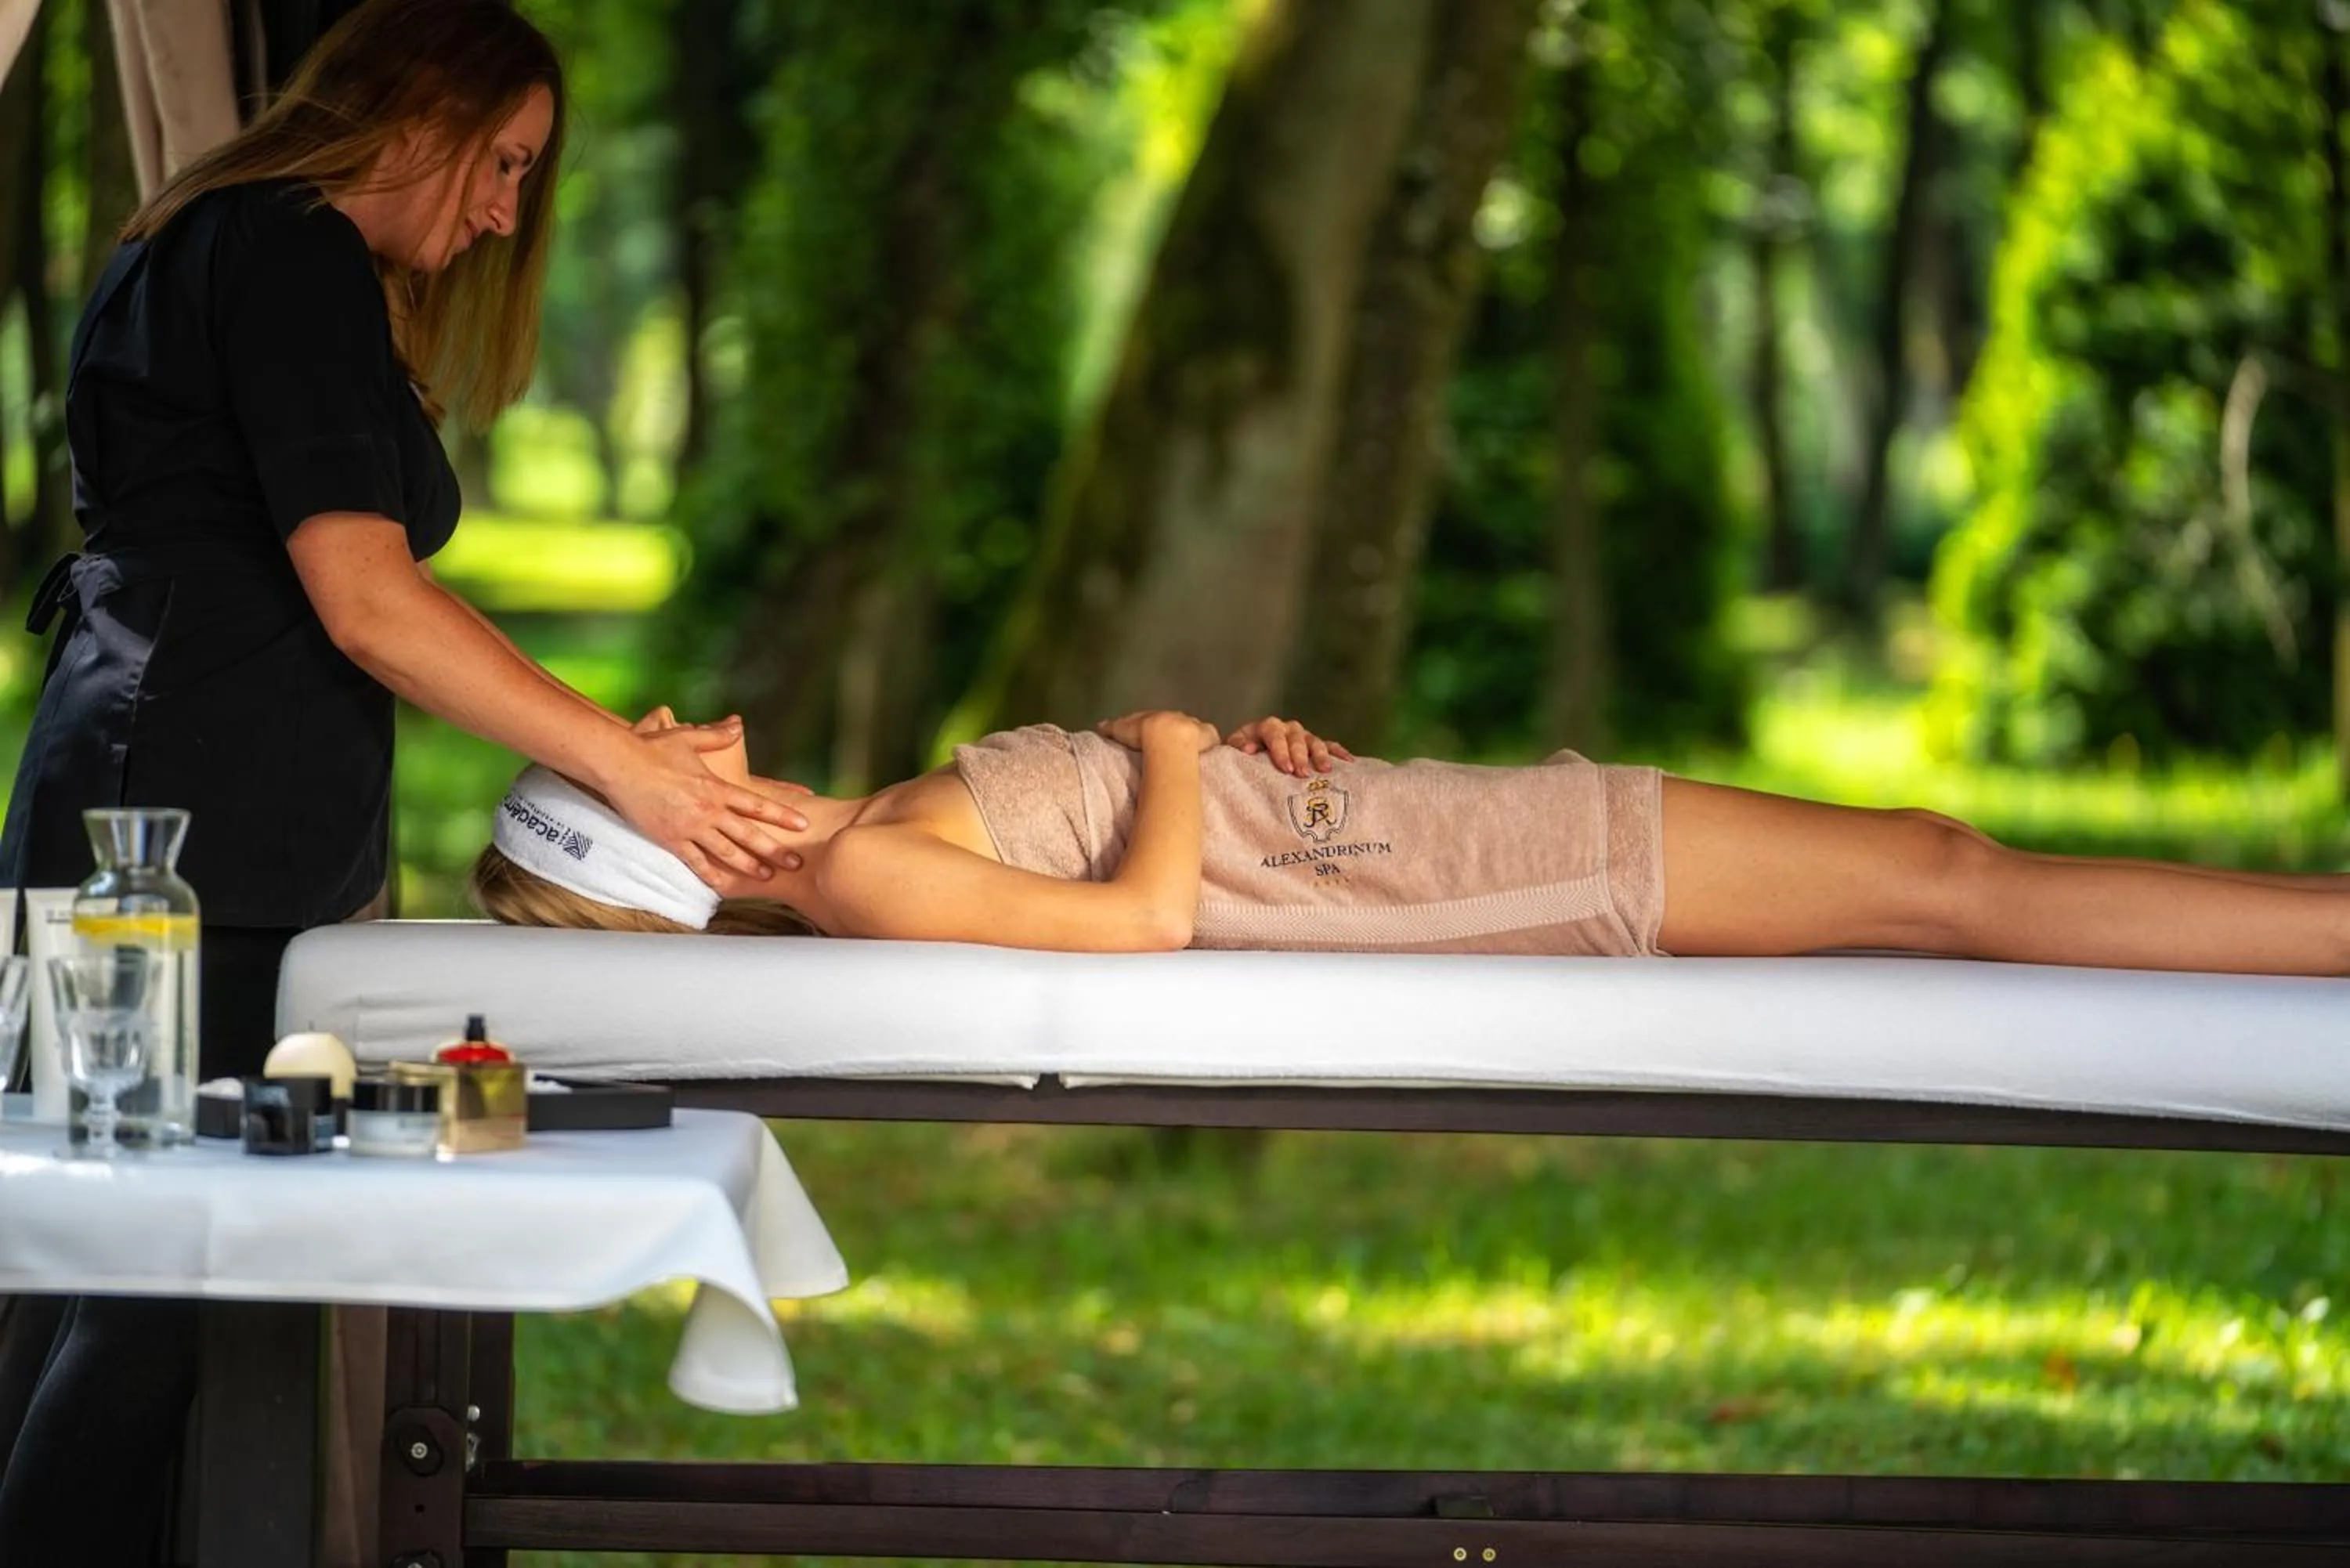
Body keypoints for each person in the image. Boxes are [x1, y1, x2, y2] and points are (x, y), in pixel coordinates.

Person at [0, 1, 805, 1559]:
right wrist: (620, 772)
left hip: (185, 804)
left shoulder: (254, 251)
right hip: (168, 832)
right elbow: (367, 599)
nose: (509, 209)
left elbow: (401, 598)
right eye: (502, 161)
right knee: (152, 1283)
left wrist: (606, 741)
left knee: (135, 1279)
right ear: (419, 114)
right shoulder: (282, 250)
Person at [475, 709, 2350, 977]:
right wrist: (1175, 742)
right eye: (633, 762)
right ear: (670, 847)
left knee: (1941, 860)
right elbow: (1144, 927)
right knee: (1941, 873)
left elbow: (1182, 844)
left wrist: (1242, 751)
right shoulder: (870, 873)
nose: (653, 731)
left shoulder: (880, 827)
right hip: (1438, 870)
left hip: (1385, 825)